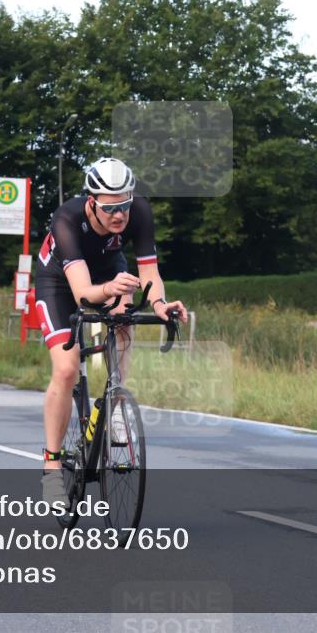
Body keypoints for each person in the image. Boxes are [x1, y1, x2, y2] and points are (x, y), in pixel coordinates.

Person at [34, 158, 188, 506]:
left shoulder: (140, 212)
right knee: (66, 368)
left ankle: (117, 400)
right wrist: (111, 289)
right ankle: (52, 465)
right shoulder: (66, 220)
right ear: (92, 202)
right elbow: (84, 295)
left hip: (109, 271)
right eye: (110, 208)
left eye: (125, 205)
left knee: (126, 315)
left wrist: (161, 304)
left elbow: (149, 271)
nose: (119, 215)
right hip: (59, 282)